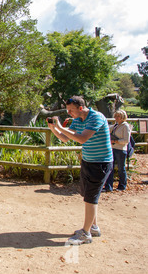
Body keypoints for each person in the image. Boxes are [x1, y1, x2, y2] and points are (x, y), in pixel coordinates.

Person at [47, 96, 113, 245]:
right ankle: (93, 227)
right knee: (88, 195)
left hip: (101, 163)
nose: (69, 113)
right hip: (88, 161)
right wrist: (54, 128)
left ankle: (86, 233)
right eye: (67, 110)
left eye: (71, 110)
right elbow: (65, 138)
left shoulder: (96, 117)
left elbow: (82, 139)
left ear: (81, 108)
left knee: (91, 197)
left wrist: (60, 127)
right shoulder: (78, 120)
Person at [103, 110, 131, 192]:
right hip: (113, 148)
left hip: (121, 149)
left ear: (122, 117)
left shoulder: (125, 126)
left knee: (121, 168)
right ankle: (108, 186)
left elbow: (126, 140)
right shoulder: (115, 125)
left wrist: (115, 141)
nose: (116, 118)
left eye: (118, 116)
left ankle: (122, 186)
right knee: (110, 167)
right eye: (115, 116)